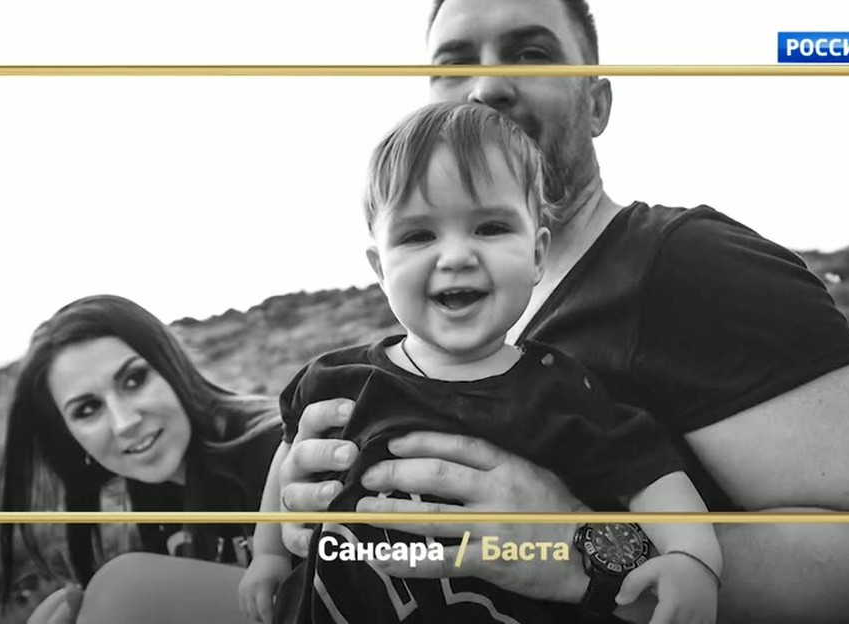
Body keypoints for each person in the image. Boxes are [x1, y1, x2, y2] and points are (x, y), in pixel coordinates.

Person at [273, 0, 849, 622]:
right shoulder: (463, 321)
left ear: (597, 102)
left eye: (531, 53)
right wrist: (305, 515)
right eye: (453, 66)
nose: (486, 86)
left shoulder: (688, 264)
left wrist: (579, 546)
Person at [238, 101, 723, 624]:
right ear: (380, 267)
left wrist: (691, 558)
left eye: (490, 227)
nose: (455, 257)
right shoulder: (336, 380)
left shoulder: (560, 390)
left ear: (536, 255)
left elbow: (652, 475)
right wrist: (268, 554)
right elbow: (289, 453)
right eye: (418, 235)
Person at [0, 294, 282, 623]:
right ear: (69, 437)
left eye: (134, 380)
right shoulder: (151, 494)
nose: (125, 422)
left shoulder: (278, 451)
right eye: (87, 409)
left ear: (172, 368)